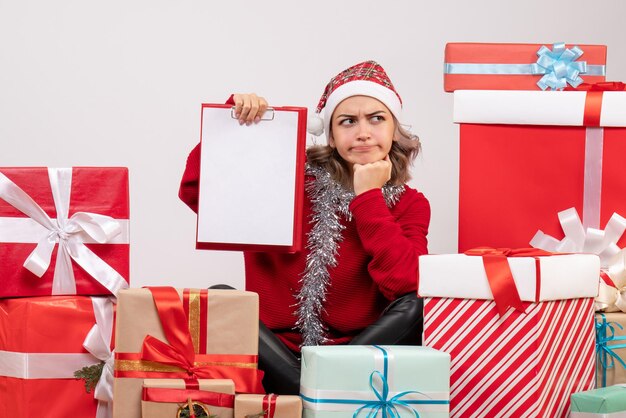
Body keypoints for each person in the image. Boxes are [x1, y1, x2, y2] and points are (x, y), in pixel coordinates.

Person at [179, 61, 430, 394]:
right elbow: (199, 192)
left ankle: (304, 391)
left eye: (376, 118)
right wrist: (234, 126)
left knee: (416, 303)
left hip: (355, 355)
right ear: (331, 134)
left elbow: (406, 284)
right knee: (220, 298)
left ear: (394, 128)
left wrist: (368, 197)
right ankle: (313, 391)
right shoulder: (289, 179)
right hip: (275, 352)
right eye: (348, 121)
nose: (363, 132)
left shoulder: (410, 204)